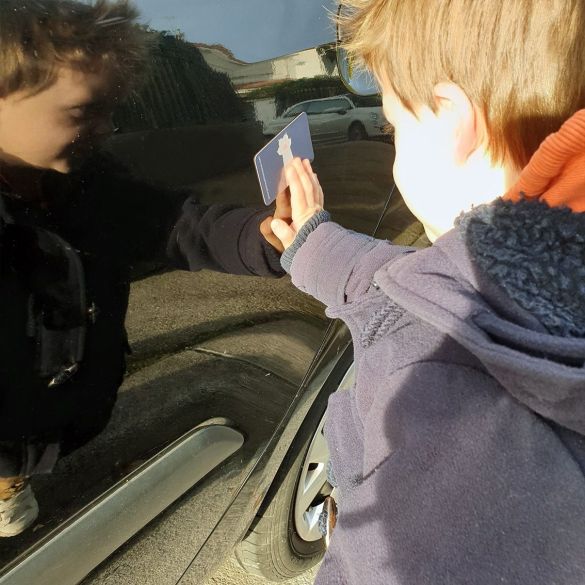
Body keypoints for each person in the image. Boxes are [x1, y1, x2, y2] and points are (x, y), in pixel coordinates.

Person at [269, 1, 585, 583]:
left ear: (449, 116)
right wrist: (316, 246)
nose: (392, 144)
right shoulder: (550, 265)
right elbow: (430, 291)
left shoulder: (443, 387)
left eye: (393, 125)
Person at [0, 0, 289, 537]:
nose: (108, 127)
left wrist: (259, 236)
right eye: (85, 111)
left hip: (74, 405)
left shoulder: (87, 183)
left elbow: (177, 225)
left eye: (112, 107)